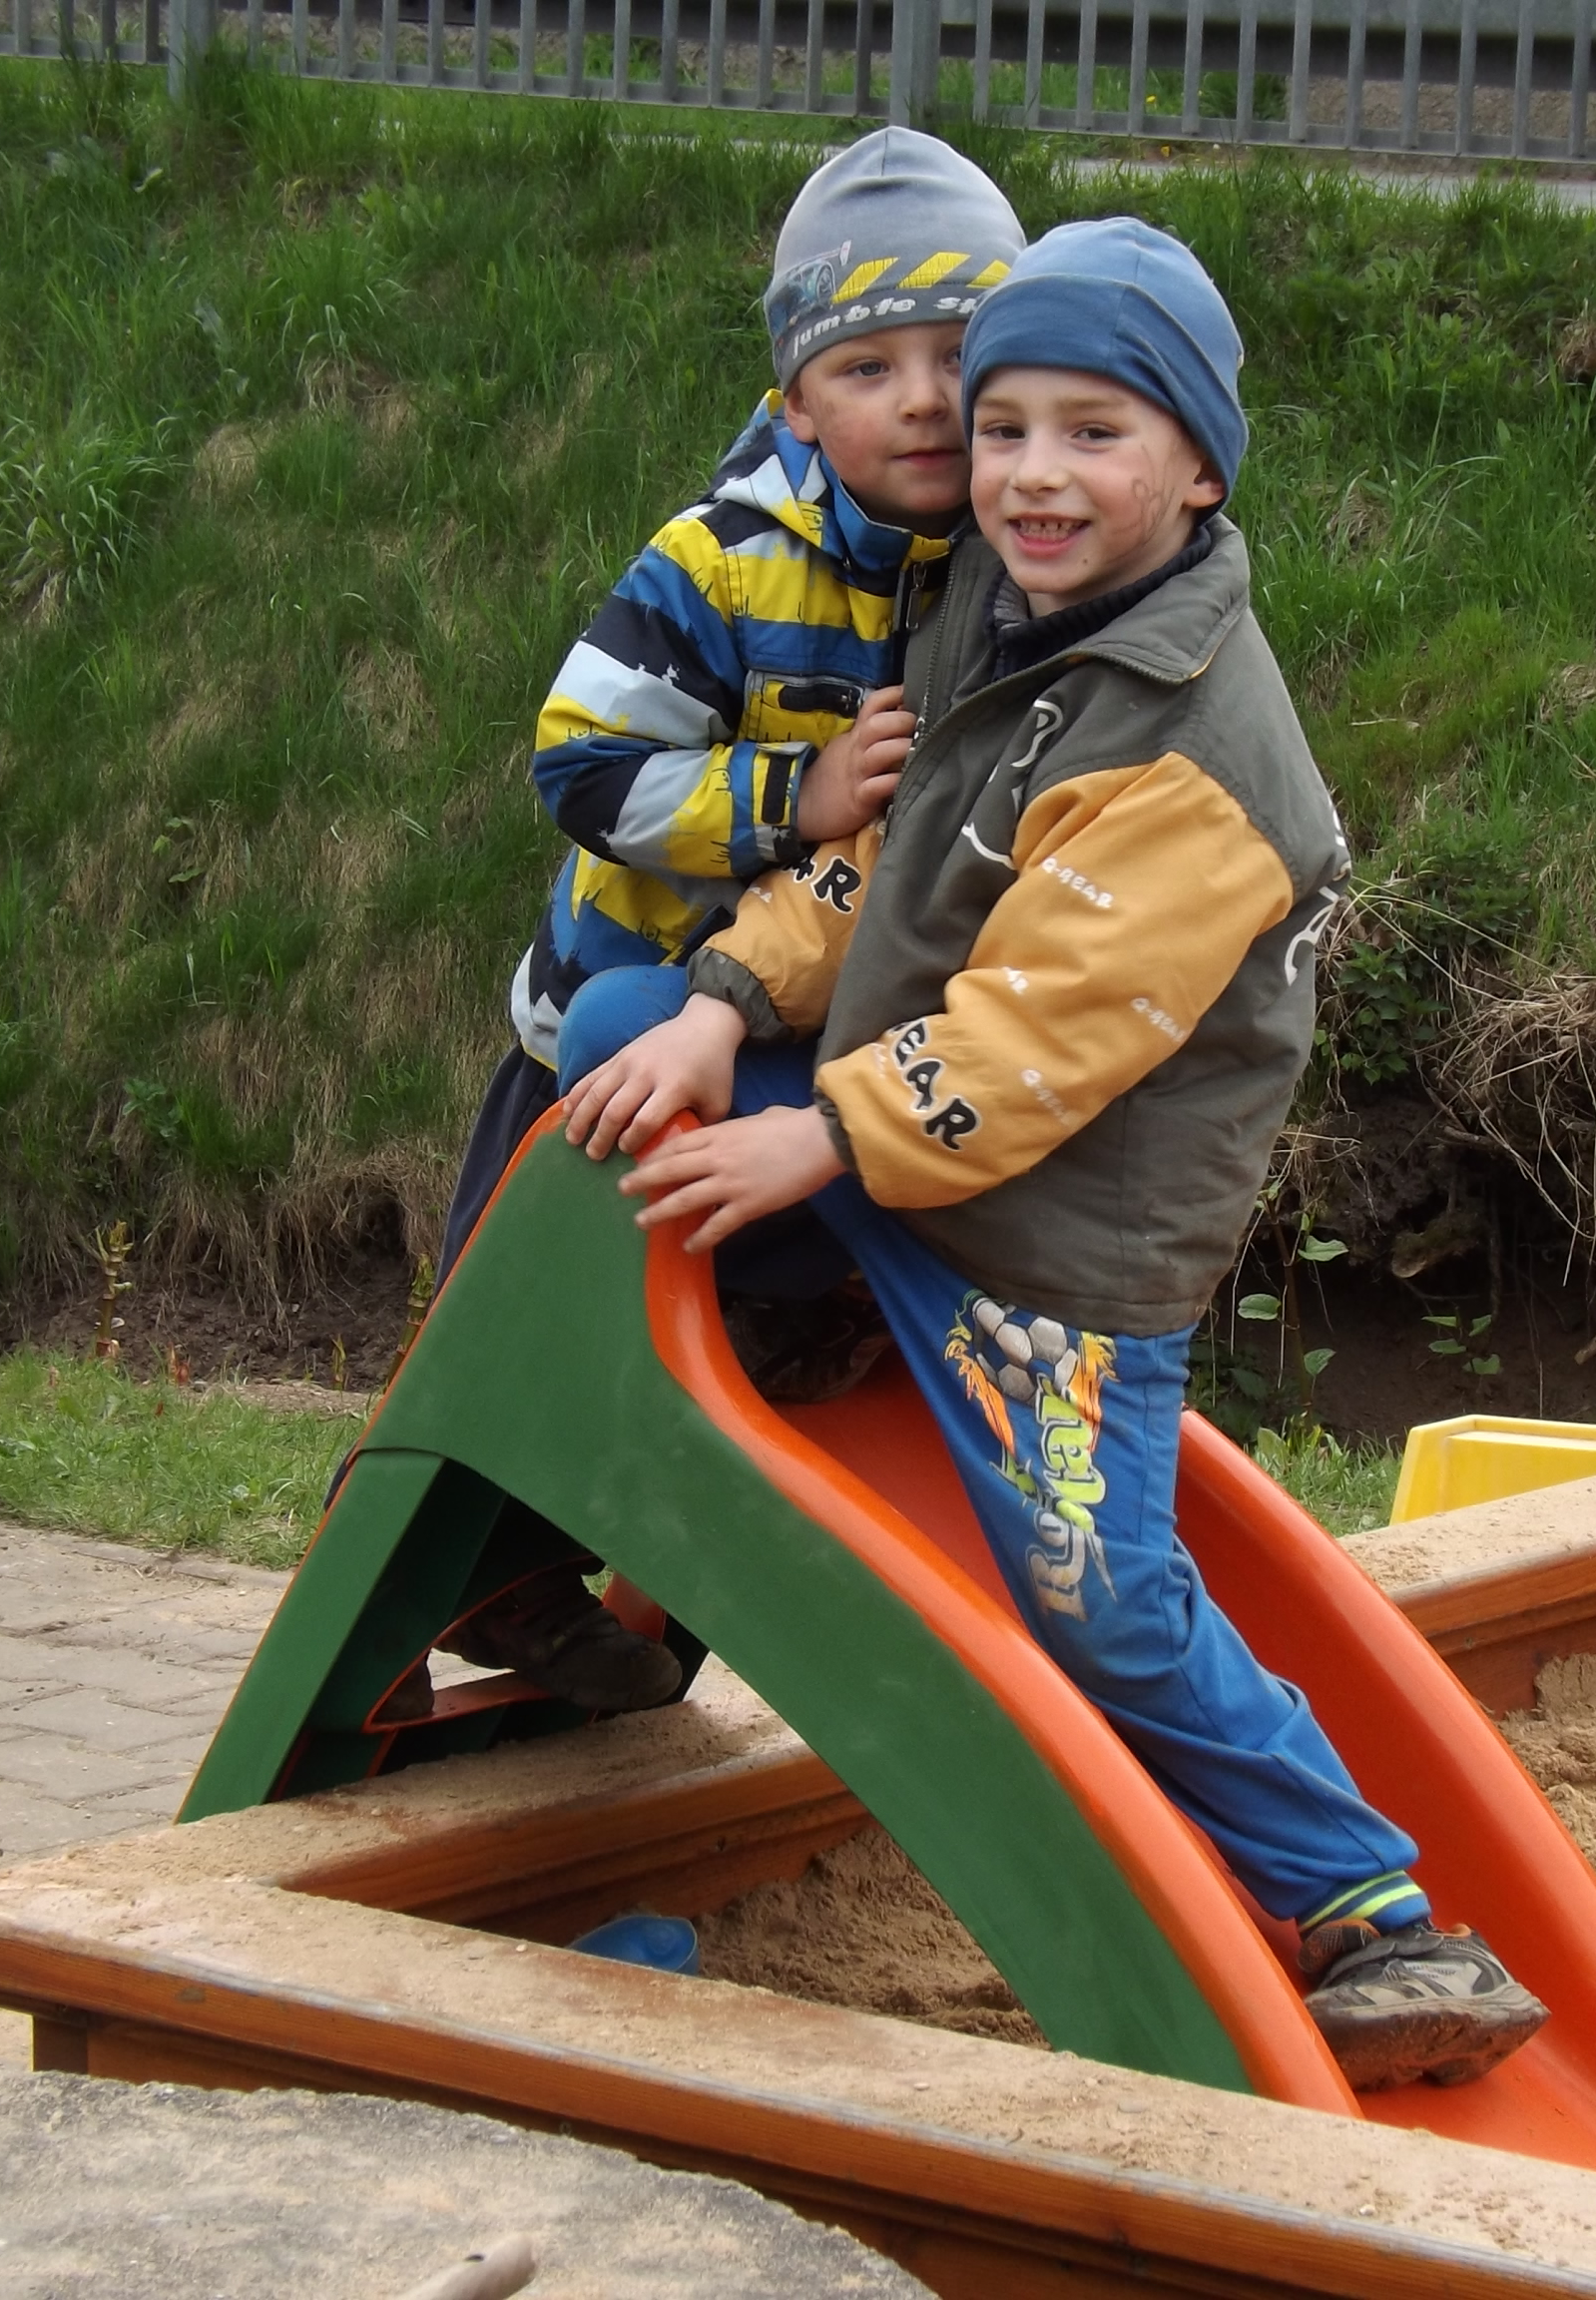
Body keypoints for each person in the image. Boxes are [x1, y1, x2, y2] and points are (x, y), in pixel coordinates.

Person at [554, 218, 1551, 2091]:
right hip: (913, 1169)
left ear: (1198, 467)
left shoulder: (1197, 754)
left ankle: (1375, 1912)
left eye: (1095, 434)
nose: (1029, 474)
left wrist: (817, 1138)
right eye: (1005, 427)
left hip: (1051, 1249)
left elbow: (1038, 1038)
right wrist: (724, 998)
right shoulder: (998, 617)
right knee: (622, 1042)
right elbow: (888, 865)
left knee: (1097, 1600)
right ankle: (803, 1328)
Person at [413, 130, 1025, 1720]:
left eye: (959, 356)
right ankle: (467, 1572)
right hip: (614, 1013)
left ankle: (655, 1548)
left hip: (798, 1028)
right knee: (530, 1319)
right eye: (870, 366)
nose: (923, 400)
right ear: (797, 399)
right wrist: (786, 797)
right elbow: (582, 764)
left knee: (719, 1318)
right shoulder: (719, 562)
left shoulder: (1000, 570)